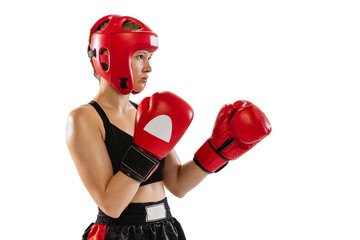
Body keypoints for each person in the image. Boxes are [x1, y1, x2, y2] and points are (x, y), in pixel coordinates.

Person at [66, 14, 272, 240]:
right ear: (111, 57)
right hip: (119, 233)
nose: (148, 68)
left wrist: (219, 149)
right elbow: (111, 205)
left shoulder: (146, 112)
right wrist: (145, 152)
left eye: (150, 57)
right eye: (140, 57)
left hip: (165, 228)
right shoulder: (85, 118)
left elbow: (178, 184)